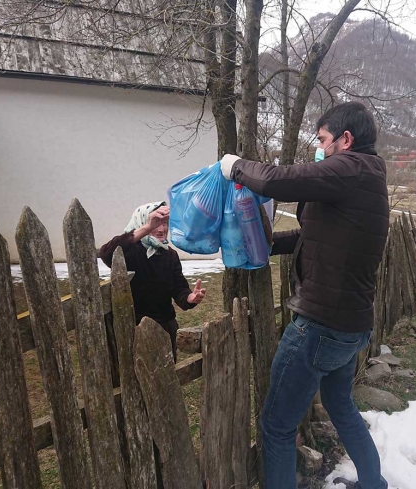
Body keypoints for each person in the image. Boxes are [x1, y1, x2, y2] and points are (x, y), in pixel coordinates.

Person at [220, 101, 389, 489]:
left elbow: (281, 180)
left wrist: (236, 167)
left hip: (321, 326)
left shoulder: (350, 168)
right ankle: (373, 485)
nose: (319, 147)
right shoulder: (369, 177)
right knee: (341, 406)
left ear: (346, 140)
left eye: (323, 139)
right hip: (352, 325)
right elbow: (324, 239)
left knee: (276, 427)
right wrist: (271, 244)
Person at [99, 202, 206, 362]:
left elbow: (178, 289)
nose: (162, 229)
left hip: (165, 327)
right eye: (156, 223)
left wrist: (190, 297)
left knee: (166, 376)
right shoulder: (130, 251)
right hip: (134, 328)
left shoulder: (170, 255)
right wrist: (148, 228)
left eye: (165, 223)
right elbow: (106, 254)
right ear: (142, 222)